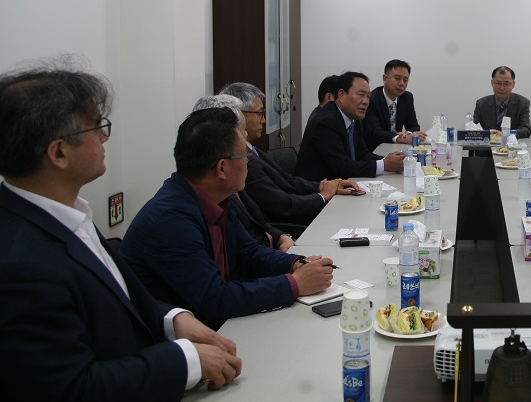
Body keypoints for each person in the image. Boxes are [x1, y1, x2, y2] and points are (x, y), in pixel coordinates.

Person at [0, 63, 241, 402]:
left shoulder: (69, 212)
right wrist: (186, 361)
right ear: (59, 153)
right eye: (97, 126)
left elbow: (118, 300)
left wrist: (174, 320)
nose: (104, 137)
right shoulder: (19, 262)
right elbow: (71, 393)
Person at [121, 108, 335, 330]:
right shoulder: (170, 222)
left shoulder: (216, 197)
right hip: (184, 339)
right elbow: (215, 299)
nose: (248, 162)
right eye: (244, 156)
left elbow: (249, 252)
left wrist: (294, 263)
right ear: (222, 168)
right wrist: (294, 284)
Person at [220, 83, 359, 225]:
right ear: (239, 115)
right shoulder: (244, 162)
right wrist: (322, 196)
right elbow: (282, 206)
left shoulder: (253, 150)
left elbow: (289, 181)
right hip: (291, 225)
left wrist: (323, 186)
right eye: (260, 112)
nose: (264, 120)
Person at [193, 93, 293, 250]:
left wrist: (282, 239)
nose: (245, 136)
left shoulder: (225, 190)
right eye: (241, 130)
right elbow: (244, 256)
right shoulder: (190, 214)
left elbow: (256, 230)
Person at [295, 71, 405, 180]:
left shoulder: (354, 118)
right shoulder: (326, 122)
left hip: (342, 183)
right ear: (341, 95)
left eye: (368, 96)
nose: (366, 101)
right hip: (317, 188)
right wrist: (384, 165)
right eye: (361, 95)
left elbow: (362, 154)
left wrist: (391, 160)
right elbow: (341, 167)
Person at [363, 59, 427, 149]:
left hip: (396, 148)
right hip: (374, 149)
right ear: (385, 78)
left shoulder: (407, 97)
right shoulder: (372, 99)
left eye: (405, 80)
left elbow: (413, 125)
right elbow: (375, 131)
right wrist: (399, 138)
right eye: (397, 78)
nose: (401, 83)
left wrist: (409, 134)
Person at [473, 65, 531, 139]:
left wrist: (506, 134)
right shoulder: (481, 104)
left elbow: (526, 130)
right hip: (487, 145)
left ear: (513, 84)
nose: (502, 88)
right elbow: (473, 129)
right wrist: (488, 133)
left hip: (512, 145)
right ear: (492, 83)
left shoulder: (522, 103)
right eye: (498, 83)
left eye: (506, 84)